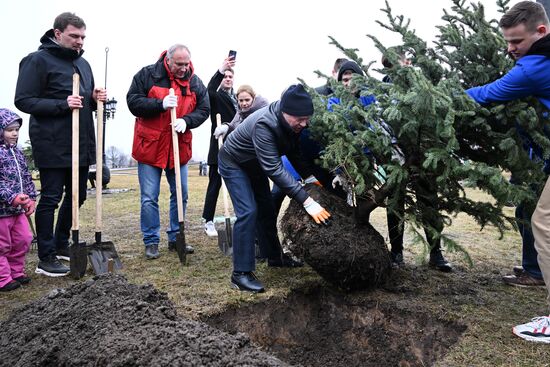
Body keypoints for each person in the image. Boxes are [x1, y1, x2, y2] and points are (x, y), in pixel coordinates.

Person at [464, 1, 550, 342]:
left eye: (516, 41)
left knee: (543, 222)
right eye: (507, 42)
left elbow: (487, 95)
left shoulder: (534, 66)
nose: (510, 49)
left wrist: (439, 96)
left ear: (541, 32)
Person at [14, 12, 107, 277]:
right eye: (74, 36)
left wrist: (93, 97)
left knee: (79, 195)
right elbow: (24, 100)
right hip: (52, 142)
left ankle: (61, 242)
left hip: (81, 142)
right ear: (57, 34)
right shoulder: (37, 61)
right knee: (52, 197)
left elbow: (83, 104)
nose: (79, 41)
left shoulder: (83, 64)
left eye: (83, 37)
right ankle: (45, 256)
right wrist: (61, 104)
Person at [218, 84, 330, 293]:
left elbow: (294, 153)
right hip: (234, 162)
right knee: (248, 212)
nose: (304, 124)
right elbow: (274, 168)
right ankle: (240, 274)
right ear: (286, 112)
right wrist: (307, 201)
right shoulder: (265, 124)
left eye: (307, 119)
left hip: (255, 163)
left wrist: (310, 178)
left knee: (267, 209)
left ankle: (274, 258)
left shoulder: (291, 124)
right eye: (300, 119)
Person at [127, 44, 209, 260]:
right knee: (149, 197)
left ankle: (176, 237)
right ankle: (151, 241)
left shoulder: (195, 81)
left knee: (181, 193)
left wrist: (187, 120)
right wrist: (159, 104)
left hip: (178, 146)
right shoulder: (147, 75)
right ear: (168, 60)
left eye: (186, 64)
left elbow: (204, 109)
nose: (184, 68)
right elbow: (133, 102)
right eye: (179, 64)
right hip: (150, 146)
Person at [0, 109, 36, 291]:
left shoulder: (18, 153)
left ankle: (16, 272)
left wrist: (30, 199)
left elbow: (26, 177)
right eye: (9, 130)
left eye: (16, 129)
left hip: (18, 209)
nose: (14, 133)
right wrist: (12, 197)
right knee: (2, 245)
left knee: (23, 239)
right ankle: (3, 278)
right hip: (2, 212)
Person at [202, 56, 237, 238]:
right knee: (214, 185)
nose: (228, 79)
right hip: (218, 147)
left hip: (236, 149)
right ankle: (208, 220)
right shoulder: (216, 97)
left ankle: (241, 216)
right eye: (226, 76)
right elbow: (208, 90)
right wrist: (220, 70)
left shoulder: (237, 99)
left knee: (238, 184)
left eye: (231, 76)